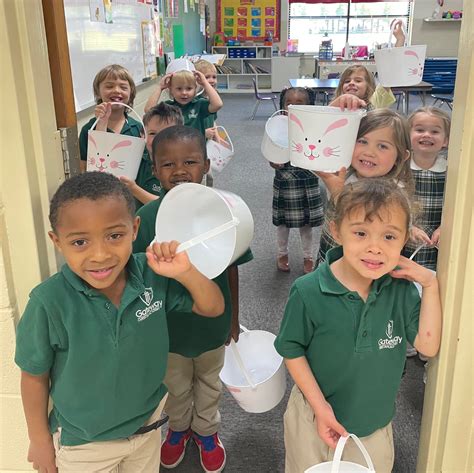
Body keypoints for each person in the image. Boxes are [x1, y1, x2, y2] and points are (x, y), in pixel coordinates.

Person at [15, 172, 224, 473]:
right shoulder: (48, 302)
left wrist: (185, 272)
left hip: (147, 427)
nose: (100, 255)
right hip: (84, 445)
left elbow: (213, 307)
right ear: (57, 242)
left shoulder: (152, 274)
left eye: (114, 236)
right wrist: (39, 441)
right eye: (80, 242)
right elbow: (34, 376)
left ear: (134, 228)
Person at [275, 178, 442, 473]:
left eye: (389, 236)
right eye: (361, 233)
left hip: (373, 428)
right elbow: (291, 349)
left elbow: (427, 345)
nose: (375, 248)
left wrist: (429, 283)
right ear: (336, 231)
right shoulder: (308, 290)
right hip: (312, 418)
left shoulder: (401, 291)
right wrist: (320, 408)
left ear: (405, 239)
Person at [133, 125, 252, 473]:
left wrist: (233, 319)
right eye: (168, 164)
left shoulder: (224, 214)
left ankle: (207, 430)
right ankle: (178, 427)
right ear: (155, 170)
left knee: (210, 383)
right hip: (166, 329)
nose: (179, 171)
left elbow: (233, 269)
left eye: (190, 161)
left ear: (206, 165)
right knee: (175, 385)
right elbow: (135, 277)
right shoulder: (146, 219)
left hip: (212, 324)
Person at [315, 108, 412, 266]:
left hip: (368, 264)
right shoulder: (342, 174)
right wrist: (337, 106)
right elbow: (317, 138)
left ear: (401, 156)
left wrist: (338, 193)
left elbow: (362, 221)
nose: (369, 152)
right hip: (331, 257)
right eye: (362, 141)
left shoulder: (395, 193)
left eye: (382, 146)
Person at [271, 87, 324, 274]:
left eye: (299, 103)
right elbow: (271, 154)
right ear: (282, 106)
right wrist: (274, 161)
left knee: (306, 223)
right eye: (289, 103)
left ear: (309, 106)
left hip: (307, 180)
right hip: (285, 180)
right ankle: (281, 253)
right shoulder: (277, 127)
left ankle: (308, 256)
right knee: (283, 222)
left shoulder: (315, 128)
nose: (293, 107)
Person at [402, 107, 450, 270]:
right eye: (420, 130)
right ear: (408, 136)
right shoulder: (399, 169)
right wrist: (408, 227)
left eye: (435, 131)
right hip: (404, 240)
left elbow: (458, 207)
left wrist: (445, 228)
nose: (427, 135)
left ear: (446, 140)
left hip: (437, 245)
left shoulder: (451, 172)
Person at [330, 20, 406, 111]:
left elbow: (389, 71)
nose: (351, 83)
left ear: (368, 87)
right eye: (347, 81)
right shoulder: (338, 105)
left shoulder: (375, 103)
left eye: (358, 81)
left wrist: (400, 39)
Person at [79, 64, 142, 173]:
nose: (117, 90)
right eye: (109, 86)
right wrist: (101, 123)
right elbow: (83, 168)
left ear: (130, 93)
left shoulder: (138, 128)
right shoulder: (88, 130)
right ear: (98, 92)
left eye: (123, 87)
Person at [123, 102, 184, 209]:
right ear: (143, 135)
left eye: (167, 133)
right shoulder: (137, 158)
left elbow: (168, 205)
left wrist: (133, 189)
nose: (159, 139)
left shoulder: (181, 169)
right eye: (152, 133)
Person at [144, 68, 223, 136]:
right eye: (179, 89)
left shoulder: (199, 105)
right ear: (171, 90)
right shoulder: (168, 107)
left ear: (195, 89)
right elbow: (148, 110)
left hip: (196, 147)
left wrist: (205, 83)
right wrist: (160, 87)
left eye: (189, 88)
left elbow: (218, 104)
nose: (184, 93)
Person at [194, 59, 221, 187]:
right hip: (196, 146)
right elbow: (186, 127)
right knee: (200, 177)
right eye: (207, 77)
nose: (211, 80)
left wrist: (217, 137)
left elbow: (213, 119)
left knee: (209, 176)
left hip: (208, 146)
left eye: (214, 77)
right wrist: (203, 133)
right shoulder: (194, 101)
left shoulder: (211, 98)